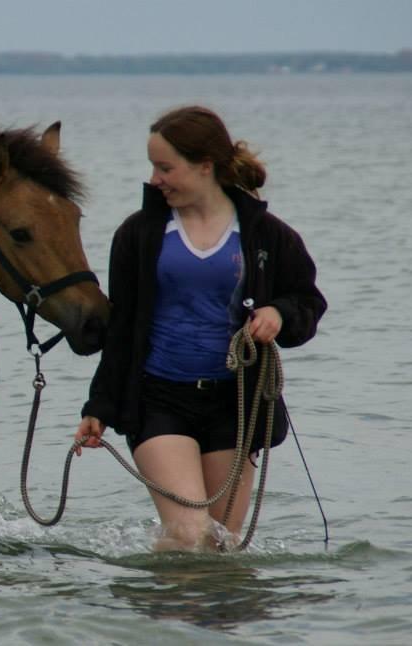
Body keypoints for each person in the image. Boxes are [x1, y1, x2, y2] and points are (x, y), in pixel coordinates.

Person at [76, 106, 327, 551]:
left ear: (205, 166)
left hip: (234, 403)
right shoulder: (138, 235)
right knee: (190, 534)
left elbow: (308, 302)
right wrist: (98, 404)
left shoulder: (267, 235)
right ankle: (162, 616)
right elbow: (122, 329)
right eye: (153, 166)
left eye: (166, 167)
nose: (156, 179)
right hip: (157, 398)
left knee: (221, 546)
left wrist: (279, 314)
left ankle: (185, 616)